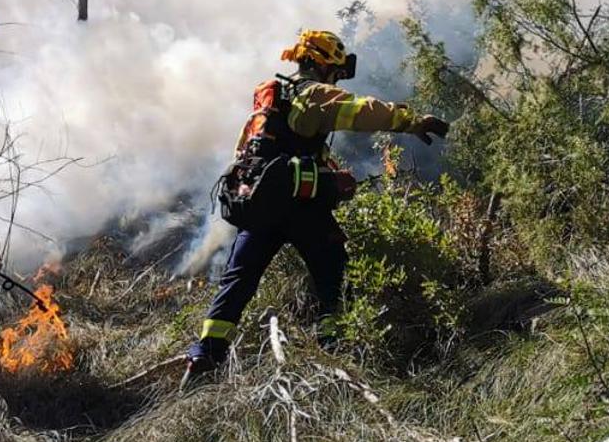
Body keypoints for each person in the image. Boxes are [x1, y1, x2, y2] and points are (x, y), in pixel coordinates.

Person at [186, 30, 450, 376]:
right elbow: (362, 111)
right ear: (323, 64)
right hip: (301, 209)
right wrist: (411, 121)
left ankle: (204, 358)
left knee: (237, 281)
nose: (337, 78)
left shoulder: (268, 100)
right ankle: (335, 357)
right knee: (334, 276)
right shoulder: (313, 95)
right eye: (336, 71)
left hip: (260, 207)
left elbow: (246, 152)